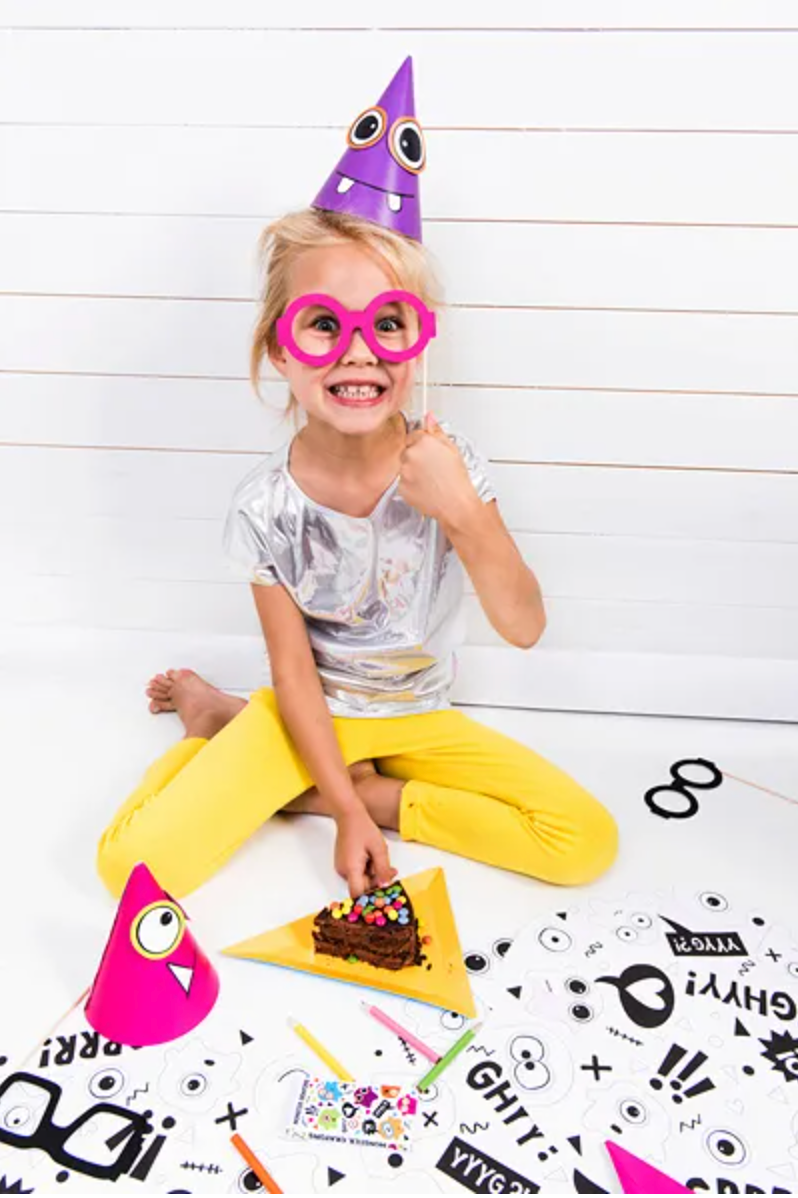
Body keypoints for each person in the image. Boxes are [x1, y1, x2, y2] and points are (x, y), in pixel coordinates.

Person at [97, 59, 617, 902]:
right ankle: (217, 727)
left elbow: (524, 627)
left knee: (583, 841)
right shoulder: (265, 507)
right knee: (131, 865)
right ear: (279, 347)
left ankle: (250, 738)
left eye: (388, 322)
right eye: (323, 325)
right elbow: (295, 672)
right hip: (305, 715)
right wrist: (345, 810)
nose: (360, 352)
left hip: (417, 720)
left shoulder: (450, 466)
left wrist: (463, 511)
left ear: (418, 340)